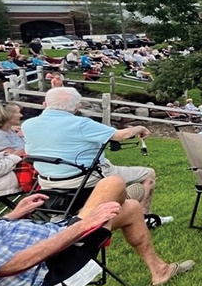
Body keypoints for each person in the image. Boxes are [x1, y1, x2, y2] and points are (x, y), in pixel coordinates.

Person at [0, 177, 193, 286]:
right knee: (112, 182)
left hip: (54, 231)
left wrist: (10, 217)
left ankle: (160, 270)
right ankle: (117, 199)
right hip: (54, 258)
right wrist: (85, 224)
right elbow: (15, 264)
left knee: (131, 209)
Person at [21, 86, 158, 213]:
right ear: (77, 107)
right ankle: (143, 215)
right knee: (148, 174)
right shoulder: (81, 124)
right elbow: (120, 135)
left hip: (46, 180)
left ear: (45, 104)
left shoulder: (27, 125)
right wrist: (139, 128)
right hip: (82, 177)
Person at [0, 102, 29, 198]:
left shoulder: (8, 130)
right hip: (10, 173)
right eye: (17, 113)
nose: (21, 115)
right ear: (7, 116)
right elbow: (15, 155)